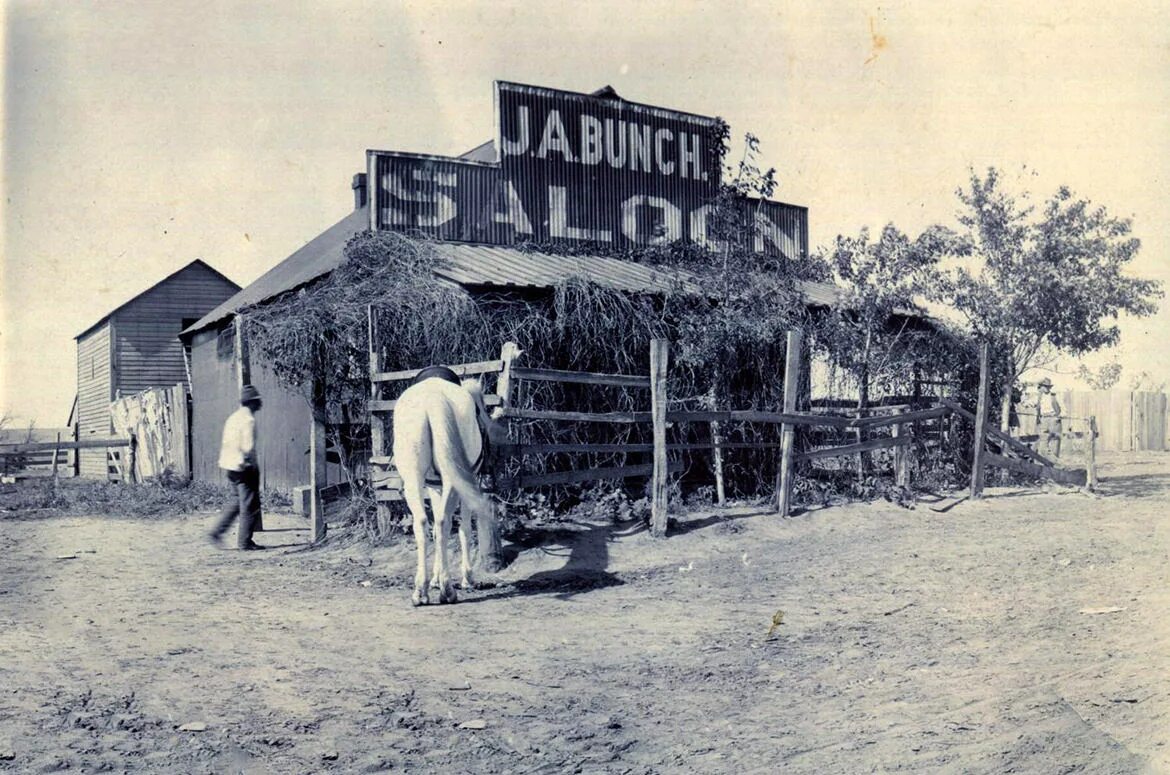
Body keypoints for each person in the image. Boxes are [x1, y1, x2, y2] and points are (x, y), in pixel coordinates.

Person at [209, 385, 265, 550]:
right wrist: (250, 465)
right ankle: (244, 542)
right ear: (252, 402)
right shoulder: (249, 420)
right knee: (250, 504)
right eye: (257, 401)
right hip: (244, 466)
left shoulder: (233, 417)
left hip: (230, 465)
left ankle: (217, 531)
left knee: (236, 502)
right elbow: (248, 447)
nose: (260, 404)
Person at [1036, 376, 1062, 459]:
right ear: (1041, 387)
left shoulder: (1054, 395)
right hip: (1043, 419)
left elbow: (1063, 407)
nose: (1047, 388)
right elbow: (1033, 405)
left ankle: (1055, 462)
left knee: (1055, 441)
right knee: (1043, 442)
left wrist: (1058, 416)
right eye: (1045, 386)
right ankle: (1046, 461)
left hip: (1053, 419)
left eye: (1048, 387)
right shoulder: (1039, 397)